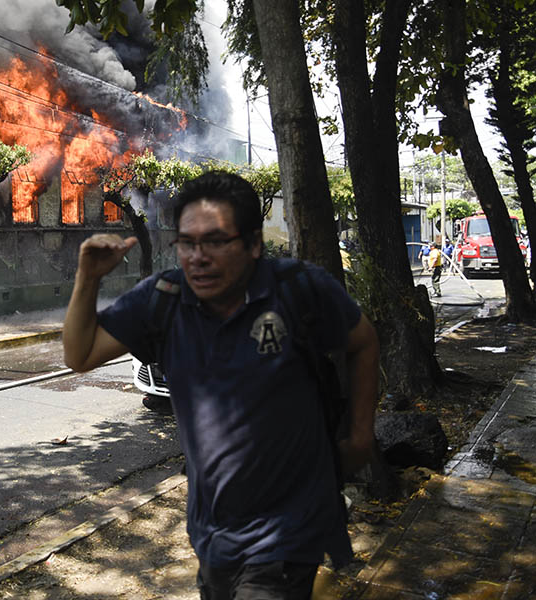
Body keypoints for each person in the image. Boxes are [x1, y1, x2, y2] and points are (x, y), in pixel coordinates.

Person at [63, 171, 379, 599]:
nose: (198, 256)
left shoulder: (300, 291)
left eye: (215, 242)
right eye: (187, 243)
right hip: (212, 531)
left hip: (288, 530)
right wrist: (88, 278)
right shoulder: (164, 300)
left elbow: (363, 341)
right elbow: (79, 356)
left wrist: (360, 435)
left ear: (252, 244)